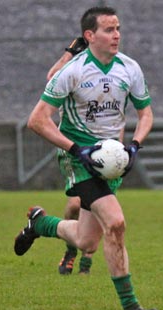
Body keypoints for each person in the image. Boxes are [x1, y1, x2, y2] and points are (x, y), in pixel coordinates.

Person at [14, 7, 159, 310]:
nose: (117, 35)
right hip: (77, 159)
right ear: (90, 36)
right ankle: (132, 309)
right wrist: (76, 150)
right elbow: (37, 120)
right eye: (108, 30)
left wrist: (135, 145)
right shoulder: (72, 72)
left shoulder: (130, 68)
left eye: (118, 28)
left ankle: (41, 224)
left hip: (111, 160)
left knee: (87, 240)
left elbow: (146, 113)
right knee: (116, 223)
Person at [47, 36, 94, 275]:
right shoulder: (73, 70)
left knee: (97, 205)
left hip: (104, 148)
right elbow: (51, 79)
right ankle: (70, 248)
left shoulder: (115, 70)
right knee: (76, 204)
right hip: (74, 147)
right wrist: (69, 52)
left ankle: (86, 259)